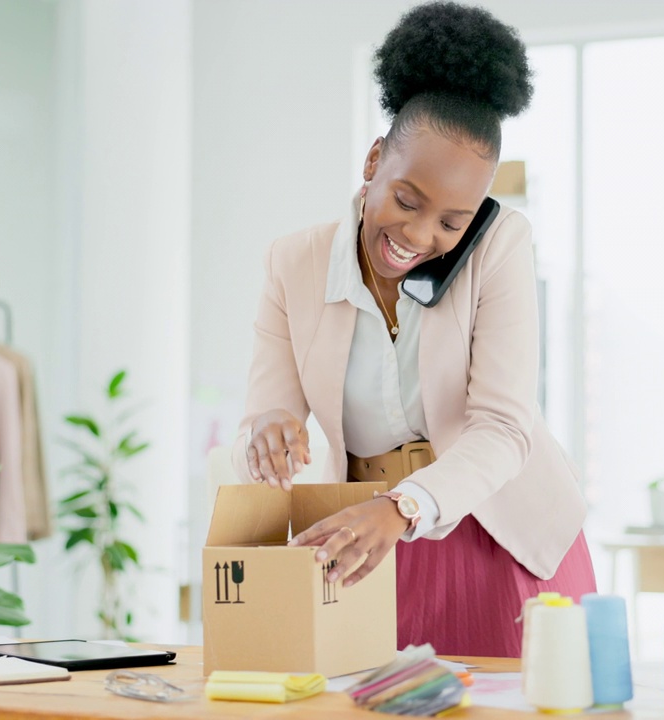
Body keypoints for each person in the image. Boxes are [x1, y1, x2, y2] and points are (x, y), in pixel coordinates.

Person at [230, 1, 595, 658]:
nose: (420, 237)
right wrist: (267, 431)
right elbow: (267, 410)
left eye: (452, 222)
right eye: (406, 200)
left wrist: (401, 509)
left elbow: (504, 426)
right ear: (374, 161)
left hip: (500, 531)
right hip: (371, 541)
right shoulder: (295, 263)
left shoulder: (502, 244)